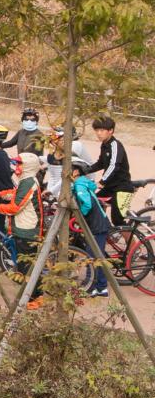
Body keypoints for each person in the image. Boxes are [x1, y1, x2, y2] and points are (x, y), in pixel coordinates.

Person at [0, 153, 45, 308]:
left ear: (28, 166)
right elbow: (17, 194)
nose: (17, 167)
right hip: (24, 227)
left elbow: (16, 206)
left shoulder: (29, 182)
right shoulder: (26, 180)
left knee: (27, 266)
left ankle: (35, 298)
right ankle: (32, 296)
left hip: (27, 230)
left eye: (20, 164)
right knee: (25, 264)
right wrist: (0, 193)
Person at [70, 159, 111, 298]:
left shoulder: (79, 184)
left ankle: (97, 287)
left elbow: (86, 204)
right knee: (95, 254)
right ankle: (99, 286)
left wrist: (79, 216)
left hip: (96, 224)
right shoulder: (81, 182)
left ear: (75, 172)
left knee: (93, 255)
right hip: (98, 222)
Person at [88, 115, 134, 228]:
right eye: (97, 130)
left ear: (111, 131)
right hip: (110, 187)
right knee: (95, 202)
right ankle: (103, 229)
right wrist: (83, 170)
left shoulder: (115, 145)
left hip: (122, 188)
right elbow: (100, 163)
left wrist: (102, 182)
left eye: (102, 130)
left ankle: (132, 245)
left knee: (118, 222)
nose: (99, 133)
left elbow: (114, 165)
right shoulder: (104, 145)